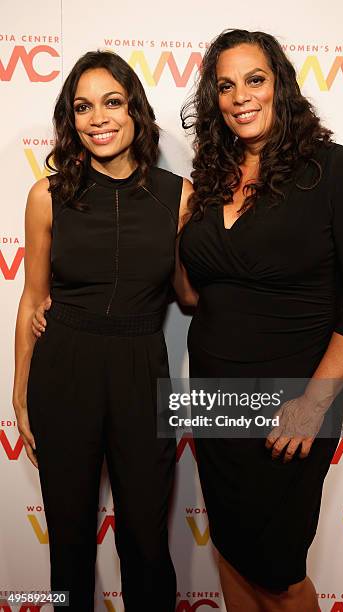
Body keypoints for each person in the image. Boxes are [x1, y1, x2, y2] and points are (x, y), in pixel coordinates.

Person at [177, 29, 343, 612]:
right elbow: (194, 293)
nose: (240, 96)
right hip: (214, 397)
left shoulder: (332, 170)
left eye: (255, 80)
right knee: (229, 546)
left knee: (278, 568)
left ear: (281, 87)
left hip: (291, 404)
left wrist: (313, 403)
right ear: (213, 100)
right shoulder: (209, 181)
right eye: (225, 85)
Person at [13, 50, 192, 611]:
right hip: (64, 365)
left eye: (112, 102)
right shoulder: (47, 196)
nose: (99, 118)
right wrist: (19, 390)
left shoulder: (178, 195)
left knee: (145, 537)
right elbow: (32, 298)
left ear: (135, 110)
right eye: (83, 107)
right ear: (71, 119)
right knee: (67, 540)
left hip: (143, 367)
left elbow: (188, 294)